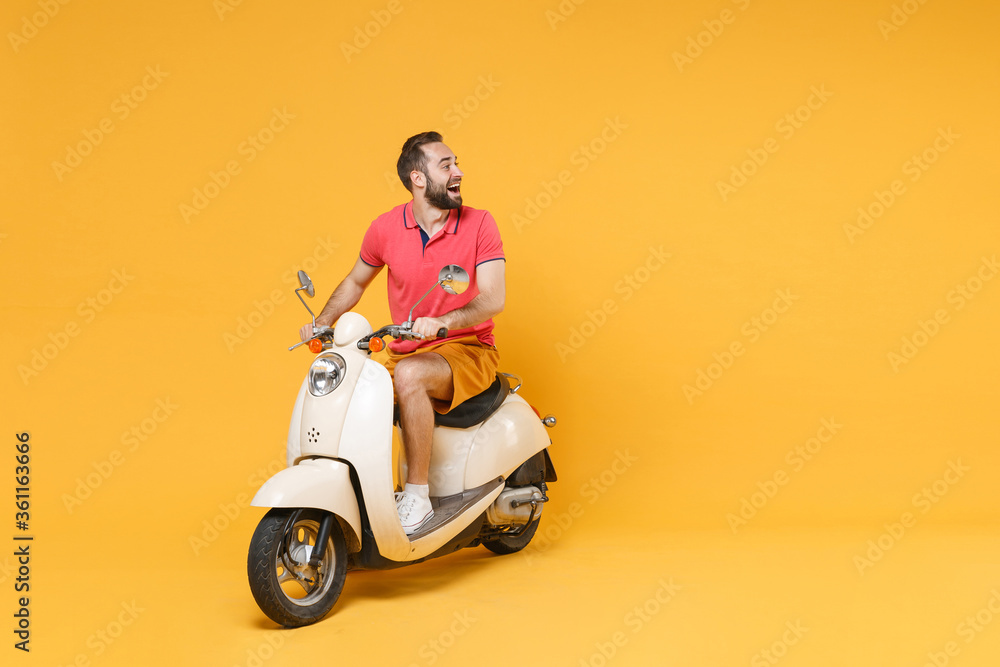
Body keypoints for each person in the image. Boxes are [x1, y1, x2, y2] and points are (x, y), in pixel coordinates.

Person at [299, 131, 506, 535]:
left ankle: (416, 496)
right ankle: (358, 494)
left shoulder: (480, 223)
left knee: (409, 375)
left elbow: (493, 298)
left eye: (456, 163)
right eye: (446, 165)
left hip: (467, 348)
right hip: (407, 350)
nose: (458, 172)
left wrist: (446, 322)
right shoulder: (386, 228)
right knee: (356, 383)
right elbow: (356, 283)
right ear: (418, 178)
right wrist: (323, 322)